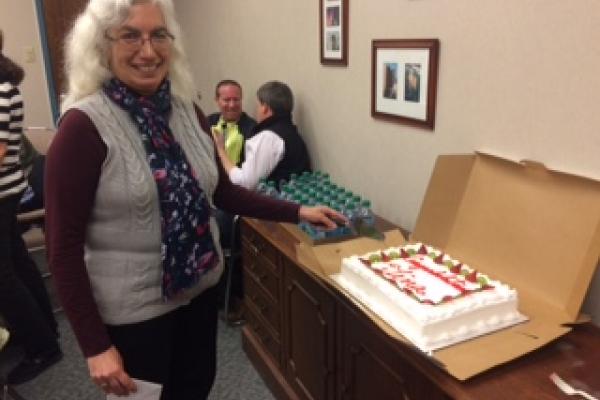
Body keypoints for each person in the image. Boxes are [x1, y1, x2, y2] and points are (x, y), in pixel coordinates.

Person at [45, 1, 345, 399]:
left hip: (198, 294)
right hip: (136, 316)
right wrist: (95, 346)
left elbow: (223, 191)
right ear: (102, 45)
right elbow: (62, 249)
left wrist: (298, 211)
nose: (148, 51)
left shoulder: (188, 112)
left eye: (158, 35)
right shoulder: (83, 128)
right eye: (131, 35)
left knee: (193, 391)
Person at [0, 28, 62, 385]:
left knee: (3, 275)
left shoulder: (1, 90)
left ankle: (42, 346)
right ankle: (43, 330)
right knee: (17, 264)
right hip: (7, 192)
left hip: (1, 192)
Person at [212, 80, 311, 191]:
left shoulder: (269, 137)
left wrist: (221, 150)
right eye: (226, 100)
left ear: (264, 108)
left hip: (279, 202)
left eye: (258, 105)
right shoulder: (289, 130)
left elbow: (244, 183)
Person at [208, 79, 256, 167]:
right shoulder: (207, 122)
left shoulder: (253, 129)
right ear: (217, 100)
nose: (232, 105)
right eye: (226, 100)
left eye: (236, 99)